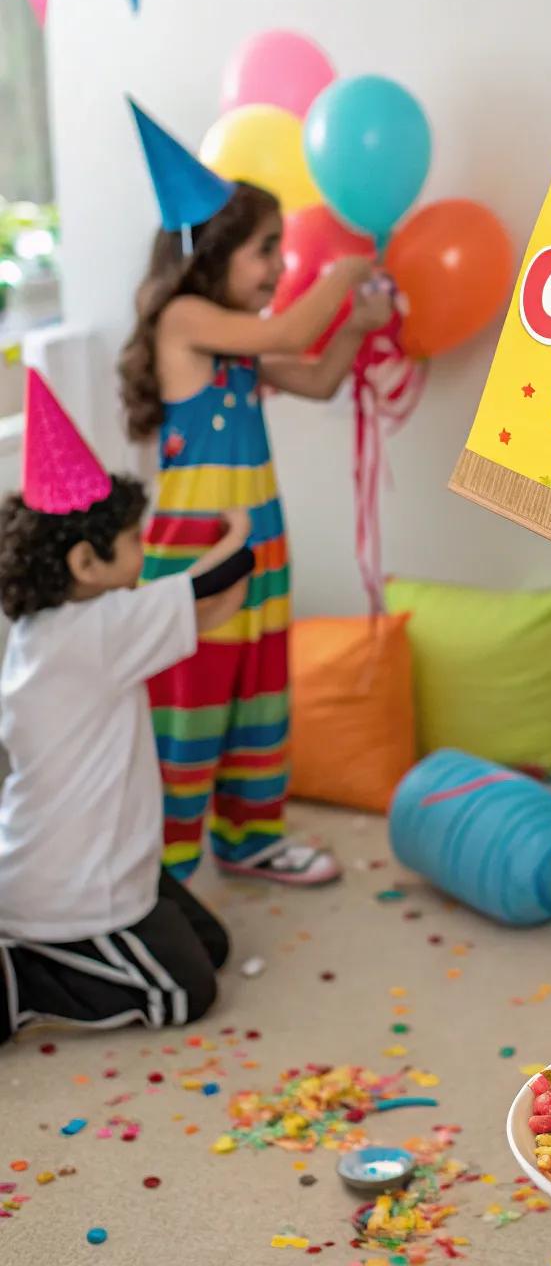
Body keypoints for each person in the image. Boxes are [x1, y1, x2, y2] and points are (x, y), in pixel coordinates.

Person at [118, 102, 392, 886]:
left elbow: (312, 373)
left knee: (258, 690)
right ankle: (170, 858)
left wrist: (353, 326)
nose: (278, 268)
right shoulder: (185, 318)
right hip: (198, 547)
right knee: (193, 697)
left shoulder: (232, 341)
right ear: (214, 254)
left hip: (260, 538)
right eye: (267, 251)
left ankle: (249, 836)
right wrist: (338, 273)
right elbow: (284, 337)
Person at [0, 372, 252, 1041]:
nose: (145, 555)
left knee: (213, 948)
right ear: (85, 561)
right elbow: (221, 590)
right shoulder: (98, 630)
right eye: (134, 541)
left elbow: (192, 602)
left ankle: (45, 944)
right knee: (186, 990)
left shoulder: (44, 629)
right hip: (71, 892)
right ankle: (19, 976)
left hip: (88, 863)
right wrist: (241, 530)